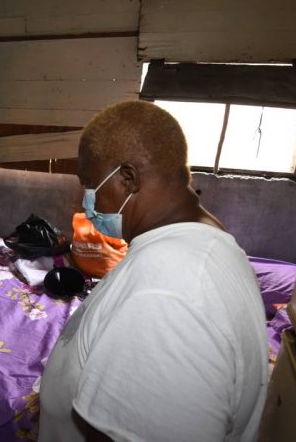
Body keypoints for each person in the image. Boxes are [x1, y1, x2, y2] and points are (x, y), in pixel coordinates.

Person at [39, 101, 268, 441]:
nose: (86, 203)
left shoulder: (167, 293)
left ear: (127, 179)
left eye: (89, 187)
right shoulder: (210, 245)